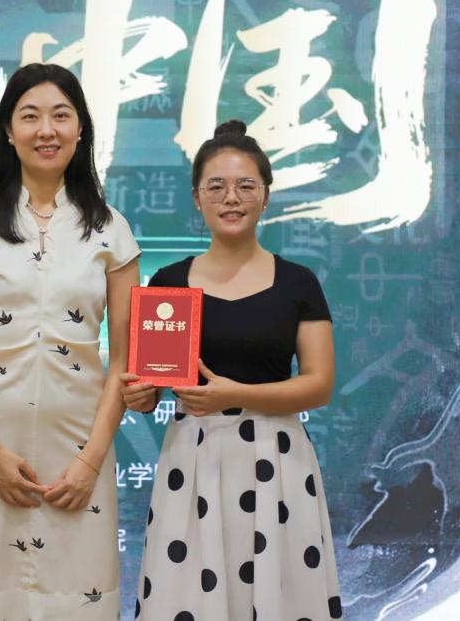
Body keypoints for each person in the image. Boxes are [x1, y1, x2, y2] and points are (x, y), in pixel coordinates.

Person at [0, 63, 140, 618]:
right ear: (8, 130)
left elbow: (126, 357)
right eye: (30, 116)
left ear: (81, 129)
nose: (46, 130)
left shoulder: (112, 229)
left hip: (79, 455)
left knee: (79, 598)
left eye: (61, 116)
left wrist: (90, 462)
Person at [122, 119, 343, 620]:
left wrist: (236, 394)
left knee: (280, 595)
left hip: (276, 461)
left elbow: (319, 384)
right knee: (188, 596)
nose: (231, 198)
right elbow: (152, 382)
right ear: (197, 199)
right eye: (216, 187)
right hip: (193, 461)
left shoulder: (298, 282)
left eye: (246, 186)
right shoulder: (169, 282)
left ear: (266, 196)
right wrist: (141, 396)